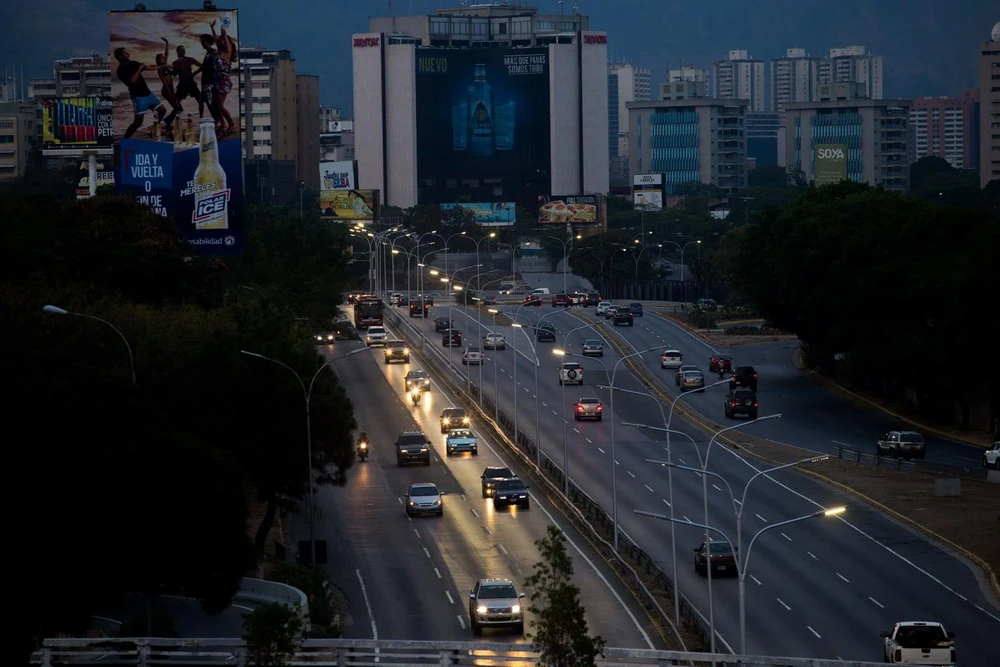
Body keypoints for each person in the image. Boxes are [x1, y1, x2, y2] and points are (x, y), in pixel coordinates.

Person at [114, 46, 167, 140]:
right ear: (120, 57)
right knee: (138, 122)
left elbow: (149, 67)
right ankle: (125, 139)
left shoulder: (133, 63)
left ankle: (154, 129)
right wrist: (139, 68)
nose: (128, 54)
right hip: (138, 97)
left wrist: (163, 66)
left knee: (162, 110)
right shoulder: (121, 70)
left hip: (148, 94)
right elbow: (131, 81)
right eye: (125, 53)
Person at [207, 20, 236, 134]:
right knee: (215, 105)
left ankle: (231, 124)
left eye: (223, 40)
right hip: (216, 80)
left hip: (223, 81)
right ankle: (223, 124)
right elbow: (215, 39)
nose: (220, 41)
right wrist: (212, 28)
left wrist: (223, 31)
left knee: (219, 105)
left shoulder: (227, 52)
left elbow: (223, 36)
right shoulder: (220, 51)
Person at [154, 38, 181, 140]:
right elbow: (163, 80)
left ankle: (168, 122)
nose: (163, 58)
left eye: (164, 58)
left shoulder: (165, 66)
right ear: (158, 60)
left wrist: (167, 43)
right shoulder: (160, 68)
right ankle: (167, 122)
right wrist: (170, 92)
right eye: (161, 58)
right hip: (166, 90)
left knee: (178, 108)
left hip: (170, 90)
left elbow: (166, 54)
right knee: (178, 108)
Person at [171, 43, 204, 118]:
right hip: (182, 85)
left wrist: (195, 73)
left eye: (183, 50)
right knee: (176, 104)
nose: (183, 51)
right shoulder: (175, 63)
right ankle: (173, 120)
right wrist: (179, 63)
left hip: (191, 83)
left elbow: (202, 66)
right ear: (177, 52)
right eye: (181, 50)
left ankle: (201, 118)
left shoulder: (190, 59)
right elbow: (174, 74)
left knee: (201, 101)